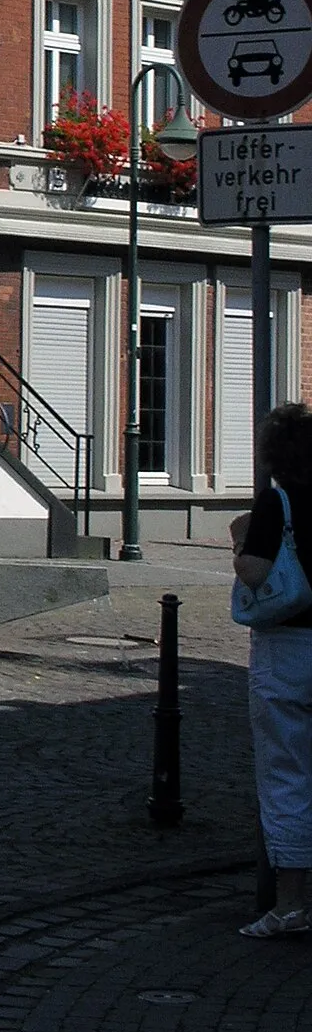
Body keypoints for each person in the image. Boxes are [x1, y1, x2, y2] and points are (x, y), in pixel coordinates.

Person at [232, 401, 312, 939]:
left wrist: (240, 541)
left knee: (287, 776)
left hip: (288, 650)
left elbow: (257, 573)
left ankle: (290, 904)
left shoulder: (277, 503)